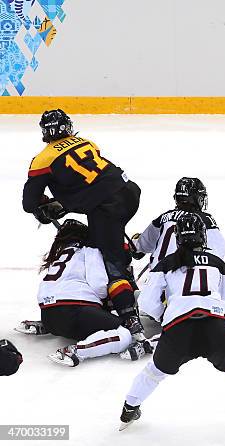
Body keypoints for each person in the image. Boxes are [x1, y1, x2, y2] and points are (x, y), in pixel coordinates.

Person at [119, 213, 225, 430]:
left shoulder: (166, 263)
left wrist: (165, 317)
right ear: (202, 236)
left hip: (178, 330)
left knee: (153, 372)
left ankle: (129, 409)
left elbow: (147, 303)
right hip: (215, 326)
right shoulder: (218, 263)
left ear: (178, 238)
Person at [22, 109, 143, 337]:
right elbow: (93, 180)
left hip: (107, 207)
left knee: (109, 259)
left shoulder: (42, 159)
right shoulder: (86, 142)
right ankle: (126, 260)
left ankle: (129, 317)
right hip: (129, 192)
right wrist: (64, 203)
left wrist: (47, 205)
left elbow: (29, 203)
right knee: (112, 239)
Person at [34, 219, 134, 367]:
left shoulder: (60, 254)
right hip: (75, 315)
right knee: (124, 335)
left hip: (48, 316)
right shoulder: (89, 250)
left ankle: (47, 326)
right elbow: (99, 284)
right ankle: (76, 351)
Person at [133, 177, 225, 270]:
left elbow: (141, 247)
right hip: (187, 276)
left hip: (157, 276)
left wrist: (134, 242)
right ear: (196, 198)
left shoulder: (162, 218)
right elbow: (218, 252)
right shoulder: (206, 220)